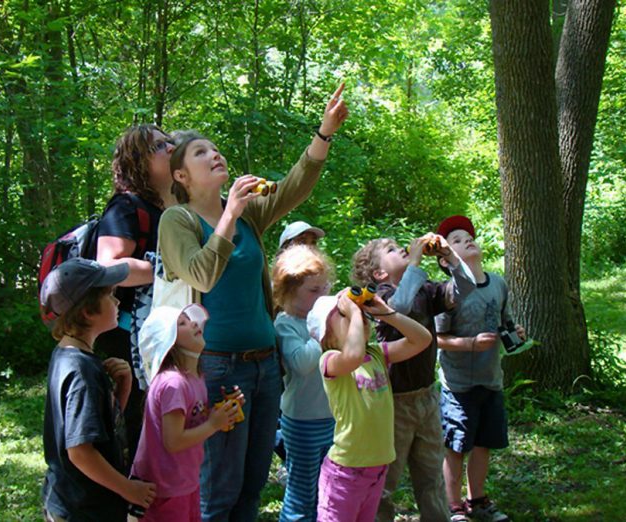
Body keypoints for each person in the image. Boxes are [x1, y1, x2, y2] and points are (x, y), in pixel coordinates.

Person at [158, 84, 348, 520]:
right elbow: (202, 273)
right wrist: (229, 216)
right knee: (219, 488)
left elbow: (293, 189)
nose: (214, 155)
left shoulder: (244, 212)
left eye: (216, 149)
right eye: (201, 153)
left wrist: (324, 133)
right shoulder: (178, 220)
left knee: (253, 484)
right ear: (181, 176)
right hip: (219, 367)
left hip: (266, 365)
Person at [351, 233, 476, 522]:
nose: (403, 248)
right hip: (392, 404)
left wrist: (450, 257)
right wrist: (417, 260)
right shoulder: (378, 295)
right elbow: (401, 306)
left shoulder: (424, 288)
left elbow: (467, 287)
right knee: (385, 480)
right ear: (379, 272)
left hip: (427, 397)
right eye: (393, 249)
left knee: (431, 476)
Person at [40, 258, 156, 521]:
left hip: (73, 499)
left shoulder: (68, 355)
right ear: (87, 312)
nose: (117, 302)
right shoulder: (82, 371)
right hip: (84, 509)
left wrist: (123, 389)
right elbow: (80, 452)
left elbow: (100, 428)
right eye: (110, 295)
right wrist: (128, 489)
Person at [308, 290, 432, 522]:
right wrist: (354, 311)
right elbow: (353, 355)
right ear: (327, 337)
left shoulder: (376, 354)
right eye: (343, 315)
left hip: (377, 469)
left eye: (360, 315)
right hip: (344, 473)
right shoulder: (330, 360)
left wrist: (387, 314)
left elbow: (422, 340)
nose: (358, 317)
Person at [95, 124, 178, 465]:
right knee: (134, 427)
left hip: (162, 334)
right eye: (160, 146)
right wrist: (172, 268)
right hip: (126, 337)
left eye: (171, 142)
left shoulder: (171, 209)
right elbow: (107, 266)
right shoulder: (126, 208)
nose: (171, 149)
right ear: (138, 162)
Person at [435, 215, 526, 522]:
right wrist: (470, 343)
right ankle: (453, 504)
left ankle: (478, 500)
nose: (467, 241)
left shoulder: (497, 283)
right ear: (448, 261)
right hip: (458, 383)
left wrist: (515, 334)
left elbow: (504, 322)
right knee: (457, 446)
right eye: (457, 241)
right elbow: (437, 338)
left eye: (468, 237)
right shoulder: (448, 293)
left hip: (491, 379)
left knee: (484, 442)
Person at [129, 303, 243, 521]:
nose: (193, 322)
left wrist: (223, 412)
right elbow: (174, 440)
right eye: (181, 323)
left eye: (189, 319)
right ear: (168, 343)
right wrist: (213, 424)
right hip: (165, 488)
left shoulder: (195, 377)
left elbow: (193, 421)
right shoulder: (173, 384)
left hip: (185, 480)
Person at [271, 245, 335, 521]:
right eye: (313, 290)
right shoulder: (286, 324)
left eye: (325, 288)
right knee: (301, 494)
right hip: (302, 421)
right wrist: (321, 329)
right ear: (288, 290)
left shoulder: (321, 321)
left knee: (327, 490)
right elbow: (302, 364)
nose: (322, 296)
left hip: (331, 418)